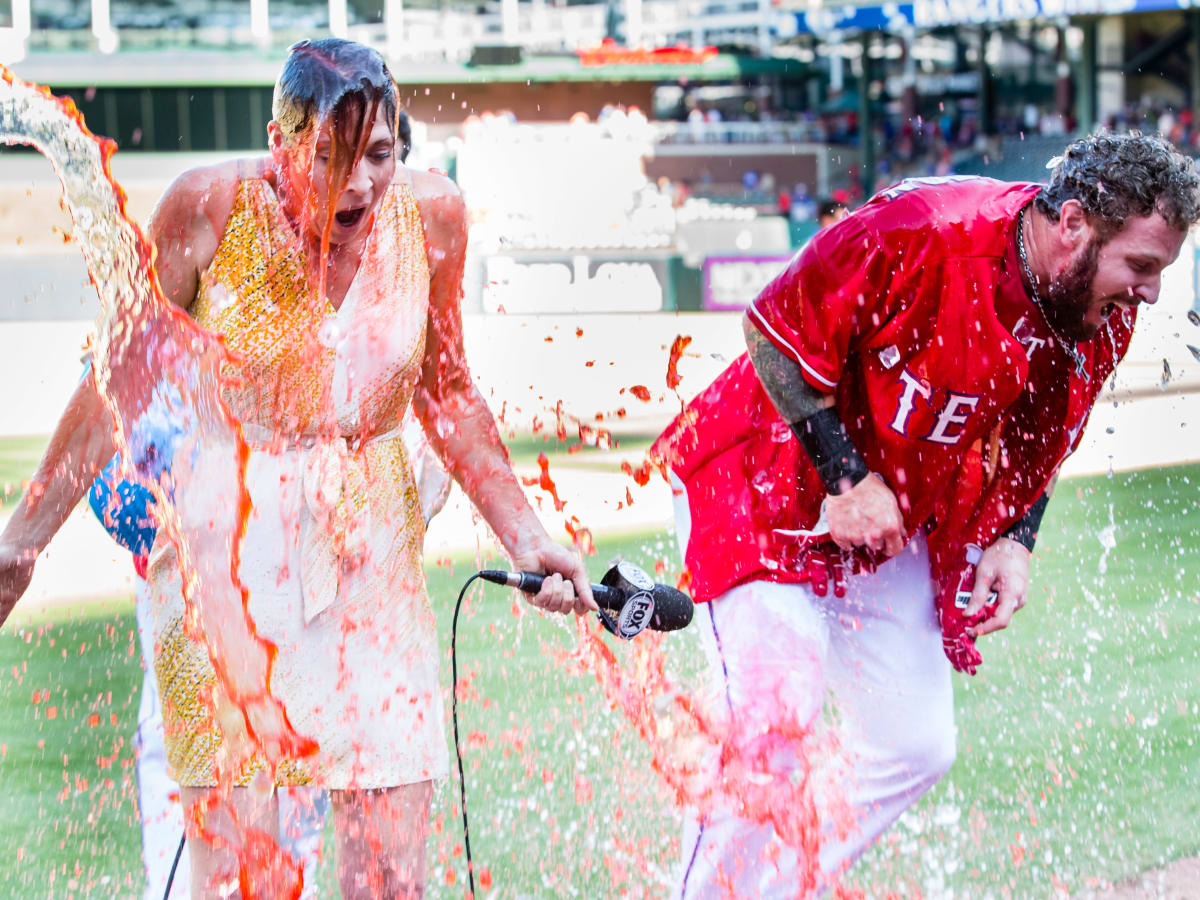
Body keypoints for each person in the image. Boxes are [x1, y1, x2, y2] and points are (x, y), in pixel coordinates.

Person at [0, 38, 594, 898]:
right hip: (228, 545)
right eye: (332, 156)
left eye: (380, 154)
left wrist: (528, 534)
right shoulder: (206, 208)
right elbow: (115, 381)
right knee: (245, 877)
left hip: (371, 547)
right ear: (284, 143)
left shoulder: (432, 218)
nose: (359, 183)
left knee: (390, 875)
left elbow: (449, 394)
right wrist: (22, 541)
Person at [651, 135, 1199, 896]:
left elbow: (1042, 435)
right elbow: (770, 332)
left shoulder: (1094, 315)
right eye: (1141, 266)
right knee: (780, 707)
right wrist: (845, 476)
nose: (1149, 294)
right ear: (1072, 223)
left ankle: (766, 886)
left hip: (889, 513)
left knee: (915, 744)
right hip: (760, 479)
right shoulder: (925, 228)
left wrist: (1018, 536)